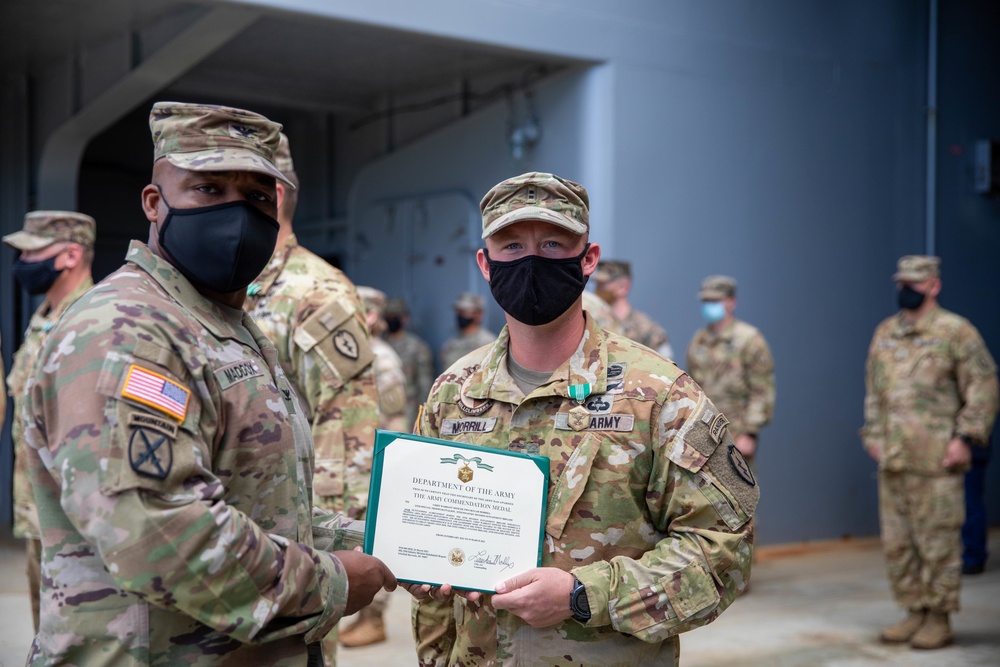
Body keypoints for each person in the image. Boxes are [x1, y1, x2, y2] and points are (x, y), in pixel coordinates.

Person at [22, 101, 395, 667]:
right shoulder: (126, 330)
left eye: (257, 196)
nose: (236, 213)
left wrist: (368, 539)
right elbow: (158, 533)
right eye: (208, 189)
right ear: (154, 202)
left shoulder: (219, 324)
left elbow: (258, 497)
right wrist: (333, 582)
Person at [410, 172, 758, 666]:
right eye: (511, 246)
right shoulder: (454, 394)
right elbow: (432, 585)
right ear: (485, 266)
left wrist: (583, 595)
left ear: (587, 259)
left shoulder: (659, 393)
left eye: (553, 243)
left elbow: (724, 551)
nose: (530, 260)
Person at [243, 133, 382, 665]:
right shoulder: (232, 286)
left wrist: (340, 552)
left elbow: (348, 428)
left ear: (273, 195)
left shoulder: (315, 293)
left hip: (305, 536)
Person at [861, 255, 998, 650]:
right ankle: (913, 610)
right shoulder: (886, 333)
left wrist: (965, 438)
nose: (905, 288)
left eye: (914, 282)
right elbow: (874, 390)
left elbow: (984, 387)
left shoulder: (957, 332)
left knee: (937, 540)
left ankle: (939, 617)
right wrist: (872, 433)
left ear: (934, 285)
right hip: (894, 457)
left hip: (938, 459)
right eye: (901, 280)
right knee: (899, 542)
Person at [4, 210, 97, 633]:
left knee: (79, 634)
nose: (24, 264)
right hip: (36, 508)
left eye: (34, 253)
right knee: (46, 630)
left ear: (71, 255)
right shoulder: (44, 318)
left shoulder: (94, 321)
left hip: (73, 518)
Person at [339, 286, 409, 649]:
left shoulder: (382, 358)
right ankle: (364, 617)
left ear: (369, 316)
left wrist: (390, 472)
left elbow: (395, 416)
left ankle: (375, 619)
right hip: (353, 464)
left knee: (377, 540)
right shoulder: (355, 353)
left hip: (374, 466)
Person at [686, 276, 775, 463]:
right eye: (707, 301)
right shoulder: (699, 339)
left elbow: (762, 389)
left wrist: (750, 432)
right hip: (704, 431)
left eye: (715, 301)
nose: (710, 305)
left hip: (737, 430)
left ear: (731, 302)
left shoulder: (749, 339)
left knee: (739, 487)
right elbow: (690, 386)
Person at [593, 259, 672, 358]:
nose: (598, 288)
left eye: (603, 284)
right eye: (597, 283)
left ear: (623, 287)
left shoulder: (647, 330)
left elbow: (665, 368)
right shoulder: (592, 321)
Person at [383, 297, 434, 428]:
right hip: (382, 410)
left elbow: (424, 385)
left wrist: (422, 419)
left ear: (405, 318)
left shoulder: (416, 347)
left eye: (395, 316)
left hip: (408, 411)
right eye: (388, 315)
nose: (391, 319)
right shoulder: (380, 345)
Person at [439, 292, 496, 371]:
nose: (460, 315)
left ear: (479, 314)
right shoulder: (451, 344)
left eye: (465, 311)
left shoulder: (488, 342)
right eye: (459, 311)